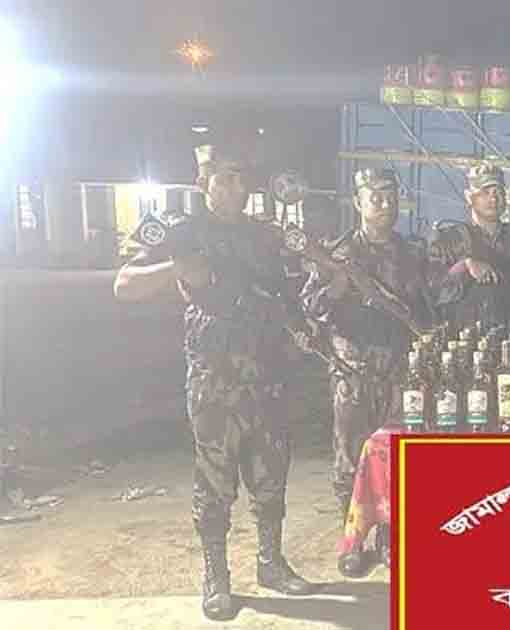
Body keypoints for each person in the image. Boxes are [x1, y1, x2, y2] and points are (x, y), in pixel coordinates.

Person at [113, 141, 316, 621]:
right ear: (203, 183)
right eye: (223, 178)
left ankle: (271, 564)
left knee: (271, 478)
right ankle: (217, 577)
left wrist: (301, 329)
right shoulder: (181, 232)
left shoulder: (264, 235)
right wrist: (176, 267)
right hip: (214, 381)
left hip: (267, 376)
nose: (234, 187)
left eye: (240, 178)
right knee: (215, 483)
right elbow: (124, 284)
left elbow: (286, 297)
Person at [298, 167, 433, 578]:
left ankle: (390, 539)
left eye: (390, 196)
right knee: (349, 457)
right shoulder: (337, 253)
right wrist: (337, 287)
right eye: (375, 197)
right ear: (358, 202)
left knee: (398, 456)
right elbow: (310, 308)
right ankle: (353, 541)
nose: (384, 204)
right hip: (353, 369)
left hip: (401, 370)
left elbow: (426, 307)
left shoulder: (413, 253)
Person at [426, 162, 510, 331]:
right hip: (462, 336)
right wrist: (465, 266)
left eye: (498, 192)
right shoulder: (448, 239)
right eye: (485, 192)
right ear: (469, 197)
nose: (493, 199)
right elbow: (432, 290)